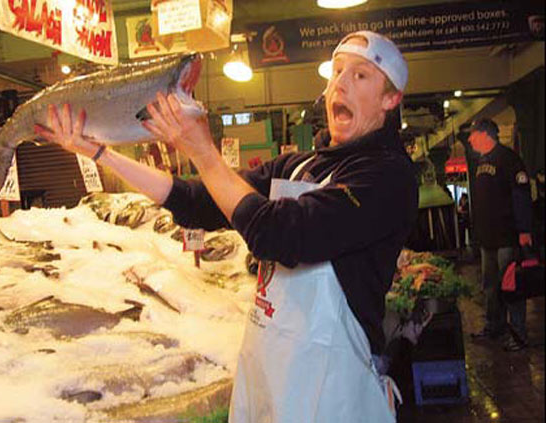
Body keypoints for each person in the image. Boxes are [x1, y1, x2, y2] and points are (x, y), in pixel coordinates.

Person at [35, 31, 418, 422]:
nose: (340, 84)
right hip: (271, 370)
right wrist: (100, 152)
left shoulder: (387, 176)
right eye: (337, 73)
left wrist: (203, 151)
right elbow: (198, 201)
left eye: (360, 76)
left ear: (391, 99)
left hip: (334, 385)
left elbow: (281, 235)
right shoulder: (299, 166)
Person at [467, 118, 533, 351]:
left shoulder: (509, 160)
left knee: (511, 286)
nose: (469, 139)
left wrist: (524, 230)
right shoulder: (481, 162)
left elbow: (521, 197)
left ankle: (518, 333)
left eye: (473, 135)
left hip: (507, 235)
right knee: (490, 286)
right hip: (488, 238)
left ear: (485, 135)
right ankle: (494, 326)